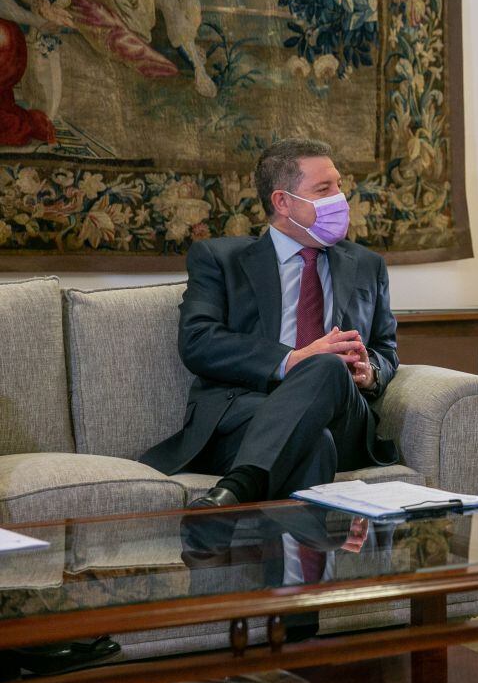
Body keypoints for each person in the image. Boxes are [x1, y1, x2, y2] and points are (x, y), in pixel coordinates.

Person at [141, 138, 399, 508]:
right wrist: (292, 360)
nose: (339, 199)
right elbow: (199, 341)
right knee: (314, 445)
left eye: (339, 186)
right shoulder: (219, 258)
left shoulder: (367, 265)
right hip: (246, 415)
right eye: (323, 189)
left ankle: (238, 488)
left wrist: (369, 371)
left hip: (342, 413)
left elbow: (386, 349)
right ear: (283, 202)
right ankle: (299, 564)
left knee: (326, 366)